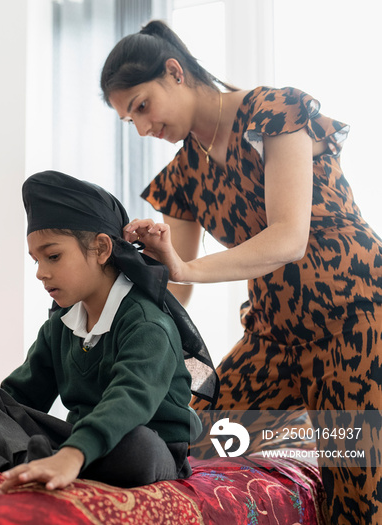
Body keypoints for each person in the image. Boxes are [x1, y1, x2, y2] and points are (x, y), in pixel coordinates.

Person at [100, 19, 381, 525]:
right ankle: (311, 430)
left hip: (357, 319)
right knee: (186, 430)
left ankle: (331, 431)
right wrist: (129, 284)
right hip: (274, 334)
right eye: (129, 120)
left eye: (142, 105)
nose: (142, 128)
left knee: (358, 502)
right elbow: (177, 286)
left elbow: (288, 239)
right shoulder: (183, 174)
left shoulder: (275, 113)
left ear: (174, 72)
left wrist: (186, 266)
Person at [0, 170, 218, 493]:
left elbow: (130, 399)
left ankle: (61, 458)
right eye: (36, 260)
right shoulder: (61, 324)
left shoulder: (148, 325)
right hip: (80, 438)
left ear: (101, 248)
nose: (42, 273)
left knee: (134, 445)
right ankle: (38, 460)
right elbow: (20, 396)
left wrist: (73, 453)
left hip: (147, 443)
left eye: (53, 256)